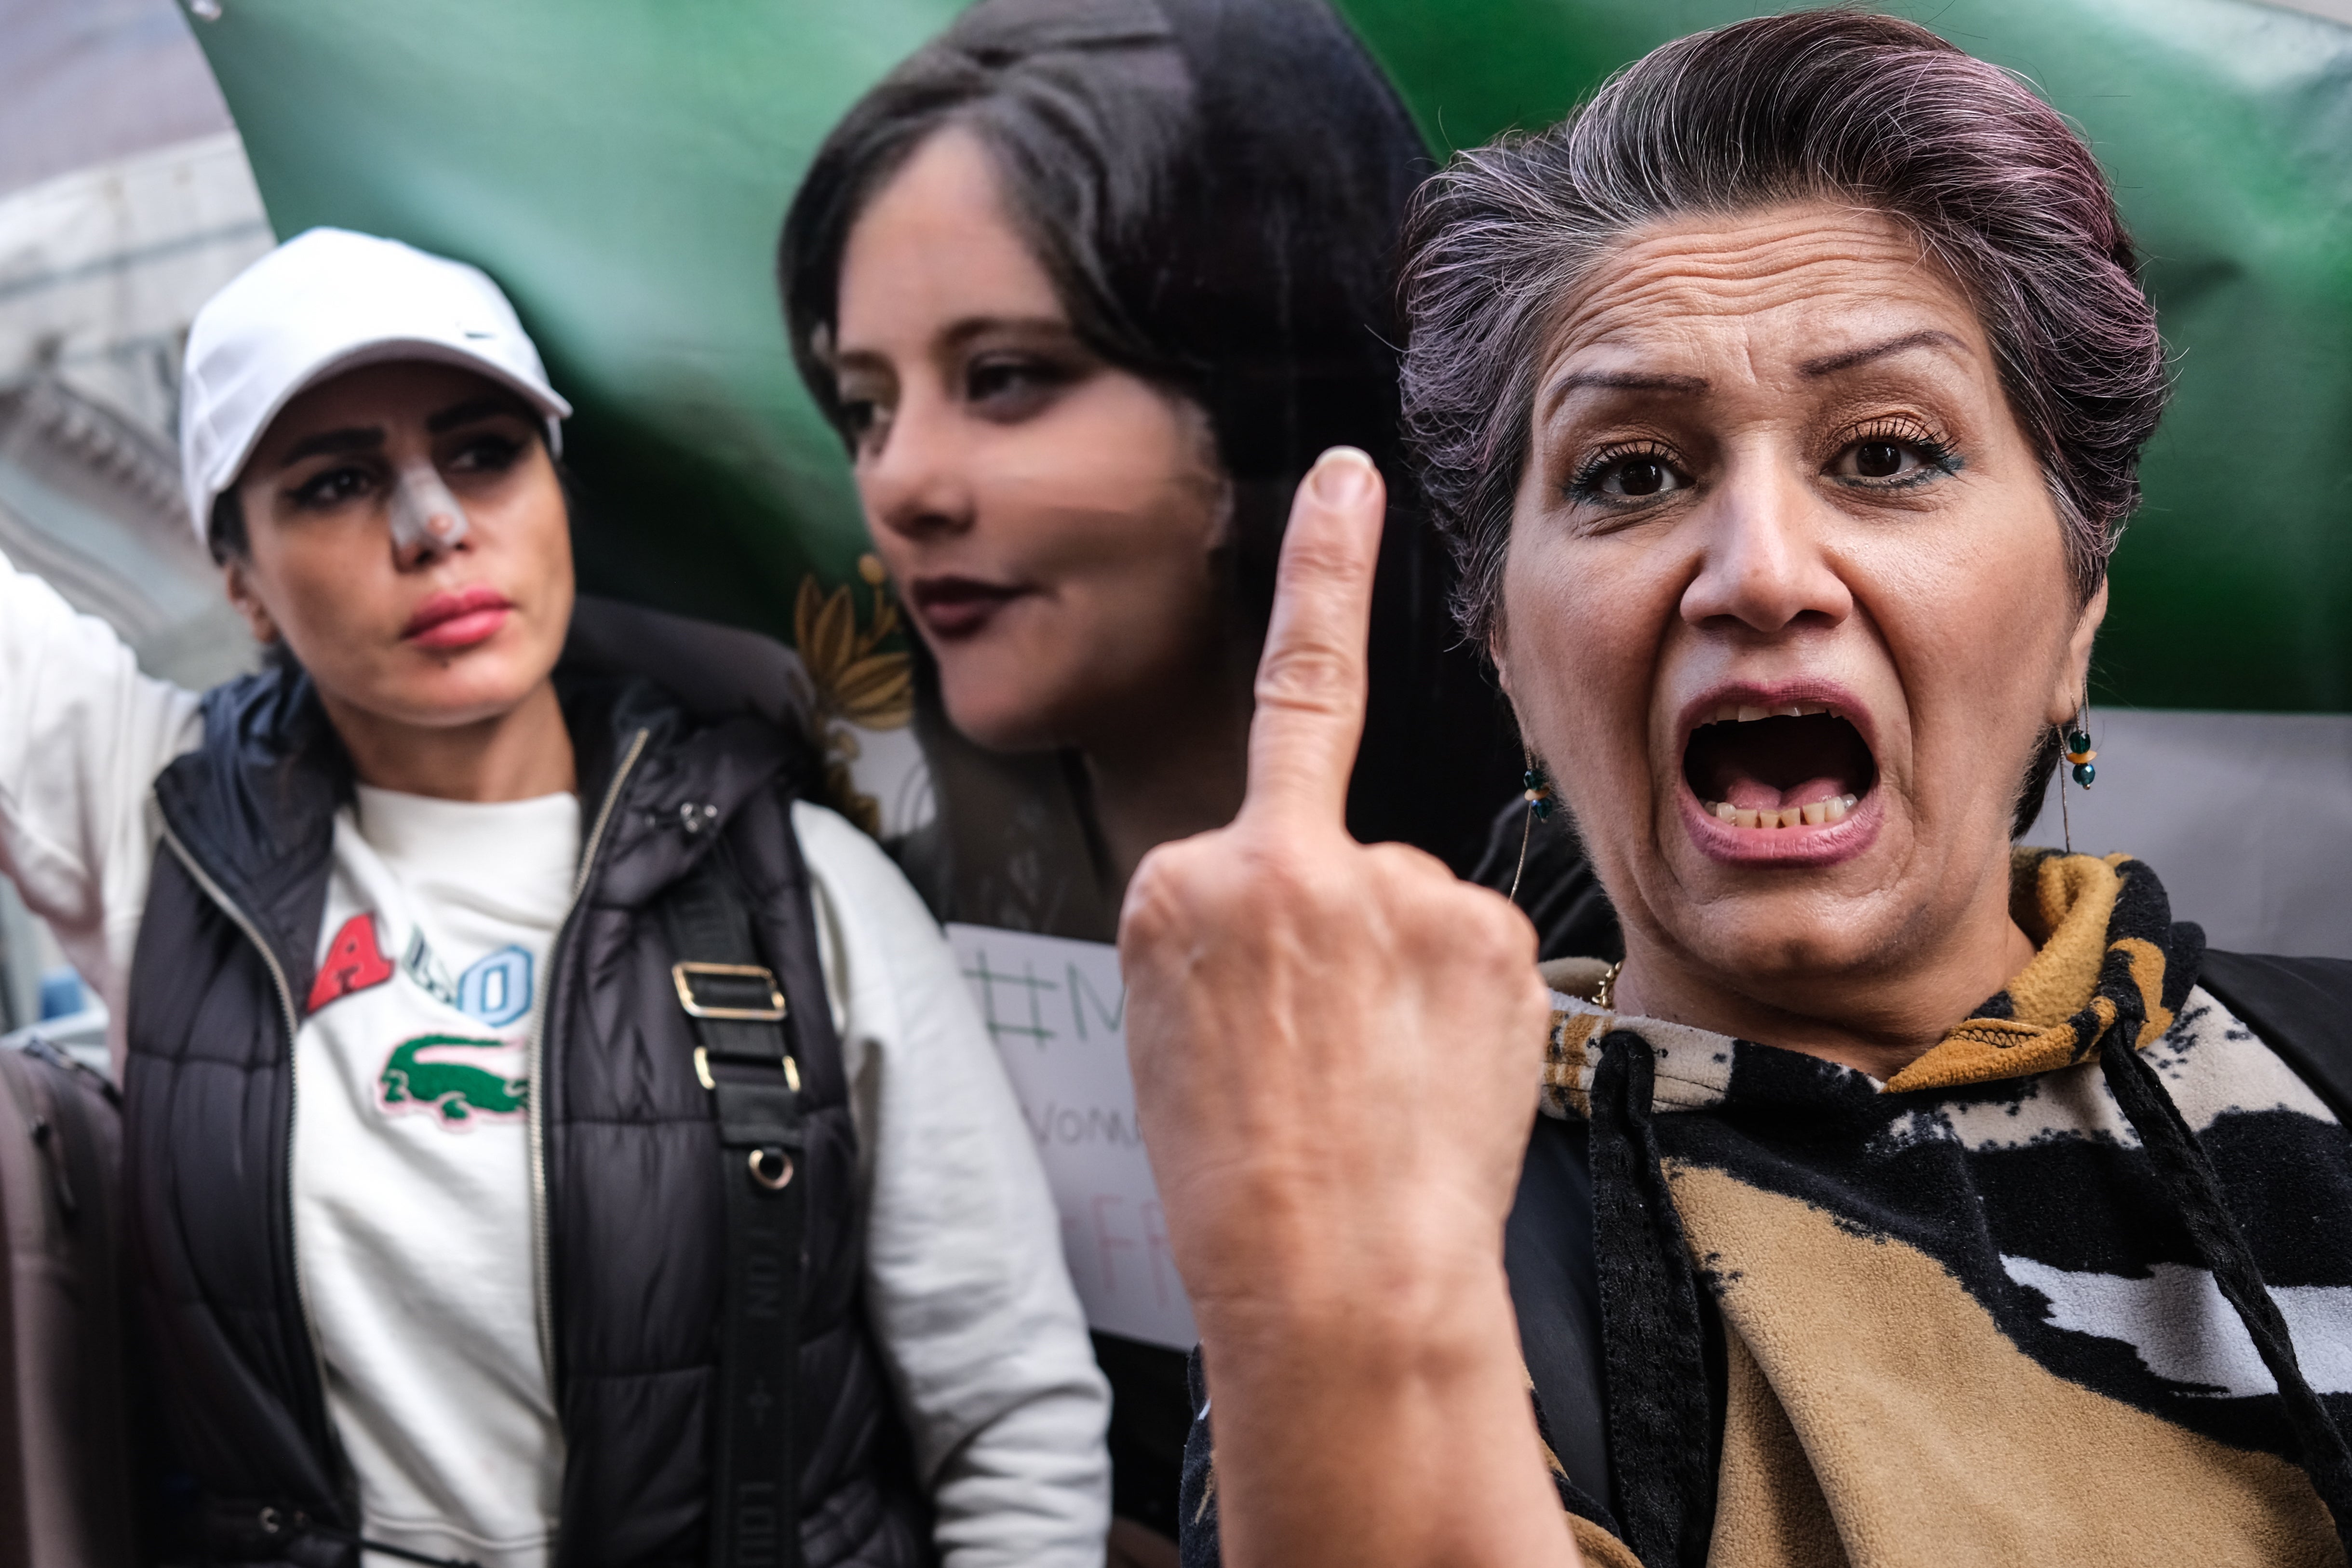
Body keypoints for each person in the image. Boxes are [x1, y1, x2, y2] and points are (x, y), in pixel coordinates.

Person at [1117, 13, 2352, 1568]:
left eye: (1889, 454)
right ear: (1504, 648)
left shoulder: (2323, 1076)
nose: (1760, 575)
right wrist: (1341, 1308)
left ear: (2077, 615)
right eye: (1632, 474)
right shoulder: (1431, 1229)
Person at [0, 227, 1110, 1568]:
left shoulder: (796, 890)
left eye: (483, 452)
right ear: (238, 575)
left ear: (557, 491)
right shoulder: (158, 821)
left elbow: (1010, 1423)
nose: (434, 527)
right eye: (338, 483)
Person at [779, 1, 1614, 1556]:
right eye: (866, 405)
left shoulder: (1584, 918)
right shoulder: (842, 891)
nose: (902, 483)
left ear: (1259, 403)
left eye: (1010, 376)